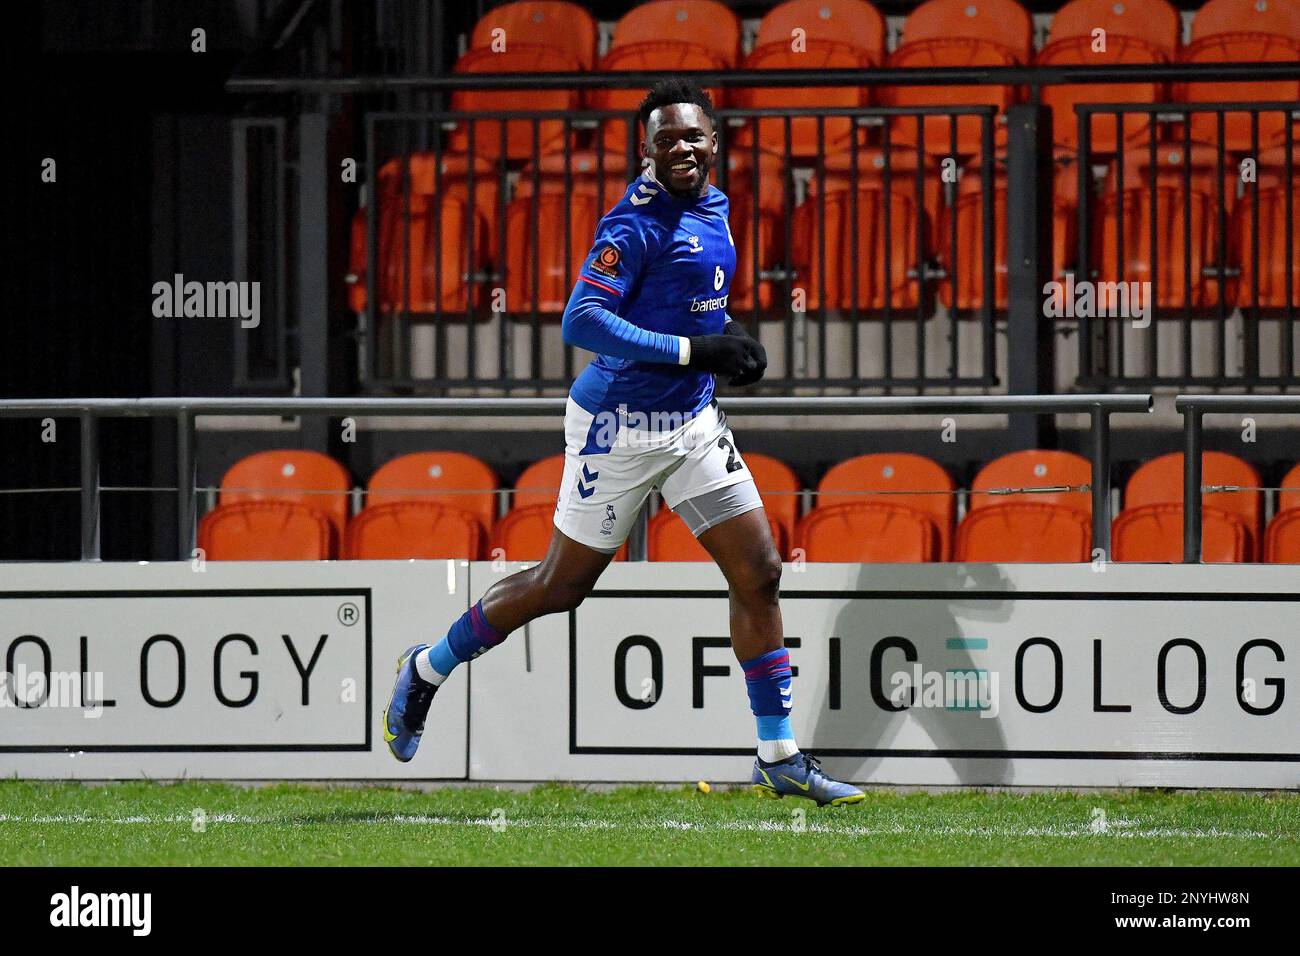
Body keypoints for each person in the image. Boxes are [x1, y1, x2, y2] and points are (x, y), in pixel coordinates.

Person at [383, 77, 863, 807]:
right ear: (645, 149)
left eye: (691, 136)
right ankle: (428, 668)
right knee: (559, 588)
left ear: (714, 140)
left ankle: (779, 756)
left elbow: (691, 301)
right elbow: (581, 321)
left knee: (759, 572)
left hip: (693, 425)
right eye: (665, 139)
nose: (681, 148)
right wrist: (693, 352)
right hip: (619, 430)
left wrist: (724, 338)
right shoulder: (631, 225)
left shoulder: (716, 205)